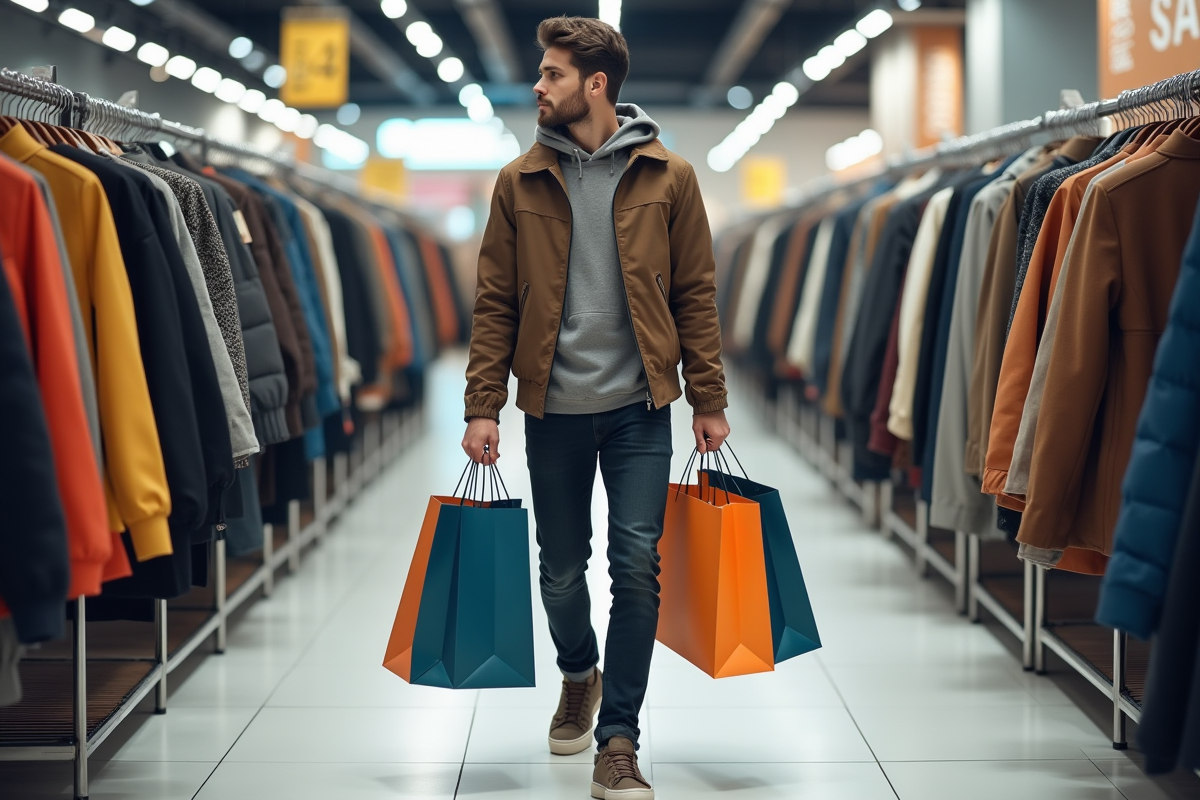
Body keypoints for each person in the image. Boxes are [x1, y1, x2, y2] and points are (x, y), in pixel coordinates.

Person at [461, 15, 729, 800]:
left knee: (636, 571)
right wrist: (485, 404)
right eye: (542, 74)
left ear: (596, 84)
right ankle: (579, 670)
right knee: (558, 571)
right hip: (553, 408)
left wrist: (708, 396)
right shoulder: (520, 181)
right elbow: (494, 302)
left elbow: (695, 295)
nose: (539, 87)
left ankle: (619, 739)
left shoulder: (669, 177)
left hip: (641, 405)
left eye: (551, 74)